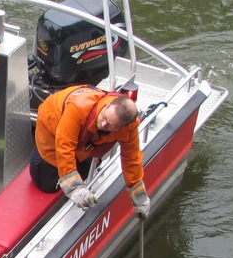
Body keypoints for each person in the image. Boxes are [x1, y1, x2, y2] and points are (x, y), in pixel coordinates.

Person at [30, 85, 150, 218]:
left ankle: (85, 160)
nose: (103, 125)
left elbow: (131, 159)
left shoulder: (129, 127)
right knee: (47, 184)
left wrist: (140, 198)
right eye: (104, 117)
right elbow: (64, 146)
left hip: (84, 143)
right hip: (53, 131)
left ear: (121, 126)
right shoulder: (78, 107)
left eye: (110, 125)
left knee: (83, 172)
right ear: (107, 105)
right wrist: (75, 189)